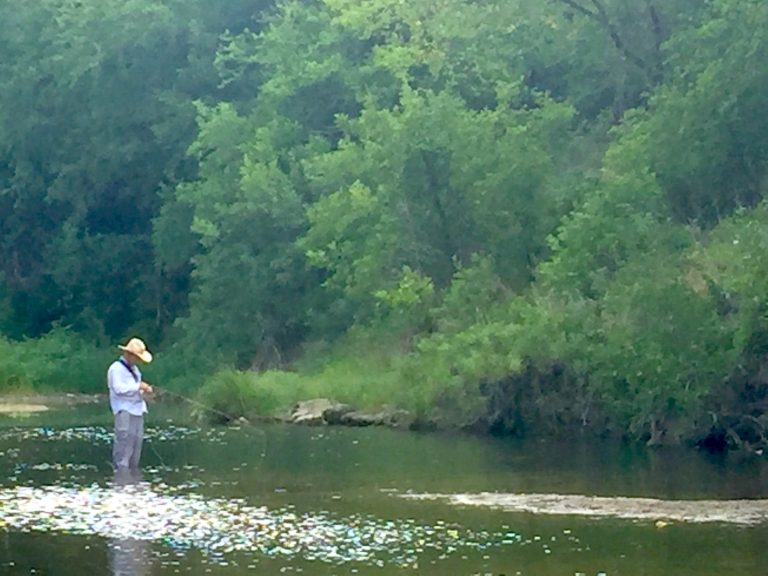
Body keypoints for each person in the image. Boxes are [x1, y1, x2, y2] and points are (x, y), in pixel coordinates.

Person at [108, 337, 153, 470]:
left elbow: (135, 389)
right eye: (137, 357)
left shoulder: (135, 371)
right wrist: (138, 386)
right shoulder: (115, 369)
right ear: (129, 354)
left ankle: (133, 476)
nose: (138, 361)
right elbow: (118, 389)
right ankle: (121, 476)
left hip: (137, 410)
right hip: (124, 411)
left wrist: (145, 391)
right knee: (124, 444)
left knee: (136, 444)